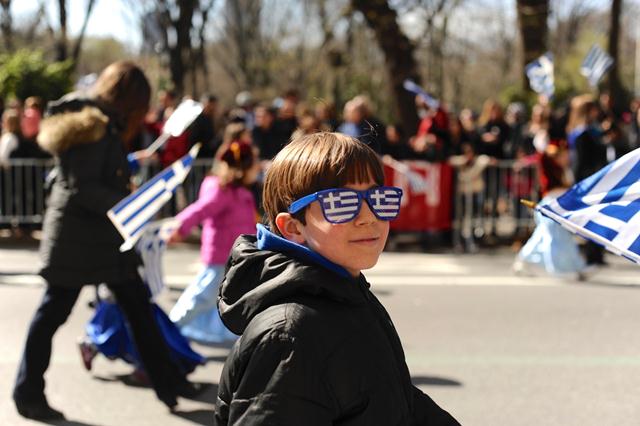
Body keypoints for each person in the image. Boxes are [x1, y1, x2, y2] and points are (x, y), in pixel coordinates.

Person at [213, 132, 460, 425]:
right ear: (292, 227)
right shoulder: (290, 334)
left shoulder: (346, 291)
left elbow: (390, 398)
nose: (368, 217)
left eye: (378, 198)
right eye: (342, 203)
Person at [12, 61, 200, 420]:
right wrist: (131, 205)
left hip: (94, 237)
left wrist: (127, 165)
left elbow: (87, 175)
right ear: (130, 99)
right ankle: (27, 392)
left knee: (136, 310)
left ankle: (169, 382)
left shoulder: (96, 123)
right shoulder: (95, 127)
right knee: (54, 315)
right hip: (81, 238)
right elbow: (83, 187)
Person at [169, 139, 259, 344]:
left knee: (208, 299)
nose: (258, 168)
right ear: (243, 167)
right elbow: (200, 209)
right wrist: (179, 228)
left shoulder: (240, 192)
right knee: (199, 298)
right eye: (254, 164)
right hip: (221, 257)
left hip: (232, 258)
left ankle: (173, 333)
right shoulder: (222, 189)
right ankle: (168, 330)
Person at [513, 141, 587, 279]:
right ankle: (561, 268)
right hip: (550, 207)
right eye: (563, 155)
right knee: (552, 239)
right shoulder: (550, 169)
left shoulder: (565, 170)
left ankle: (577, 267)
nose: (567, 157)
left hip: (560, 207)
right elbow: (543, 158)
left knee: (548, 237)